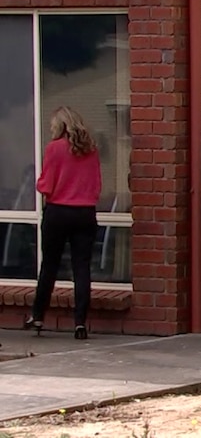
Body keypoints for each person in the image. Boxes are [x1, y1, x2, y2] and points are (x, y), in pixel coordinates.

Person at [25, 106, 102, 340]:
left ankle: (38, 315)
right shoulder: (91, 150)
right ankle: (80, 322)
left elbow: (46, 185)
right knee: (81, 267)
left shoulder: (54, 149)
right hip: (85, 213)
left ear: (60, 125)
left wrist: (41, 184)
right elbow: (97, 186)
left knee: (50, 265)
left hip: (58, 212)